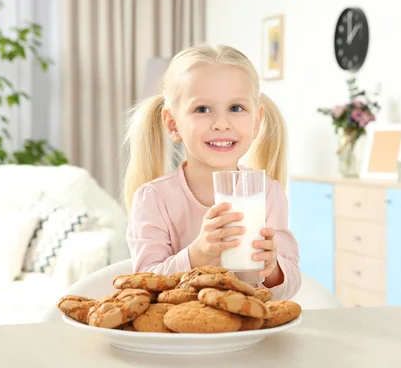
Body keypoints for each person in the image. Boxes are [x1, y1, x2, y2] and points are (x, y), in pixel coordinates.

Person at [123, 44, 300, 300]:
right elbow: (146, 285)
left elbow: (290, 284)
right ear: (173, 124)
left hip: (247, 334)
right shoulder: (154, 199)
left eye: (236, 108)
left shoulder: (267, 193)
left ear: (256, 122)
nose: (221, 124)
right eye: (202, 109)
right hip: (179, 336)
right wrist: (198, 253)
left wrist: (273, 270)